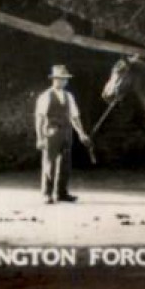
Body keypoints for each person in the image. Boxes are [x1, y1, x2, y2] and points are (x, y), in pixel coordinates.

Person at [34, 65, 91, 204]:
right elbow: (40, 118)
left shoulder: (69, 96)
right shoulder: (45, 96)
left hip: (66, 133)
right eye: (61, 79)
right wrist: (40, 138)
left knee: (65, 164)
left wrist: (82, 134)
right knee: (49, 163)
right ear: (54, 79)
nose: (64, 82)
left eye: (65, 79)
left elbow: (75, 117)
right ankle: (47, 194)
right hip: (51, 132)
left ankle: (62, 193)